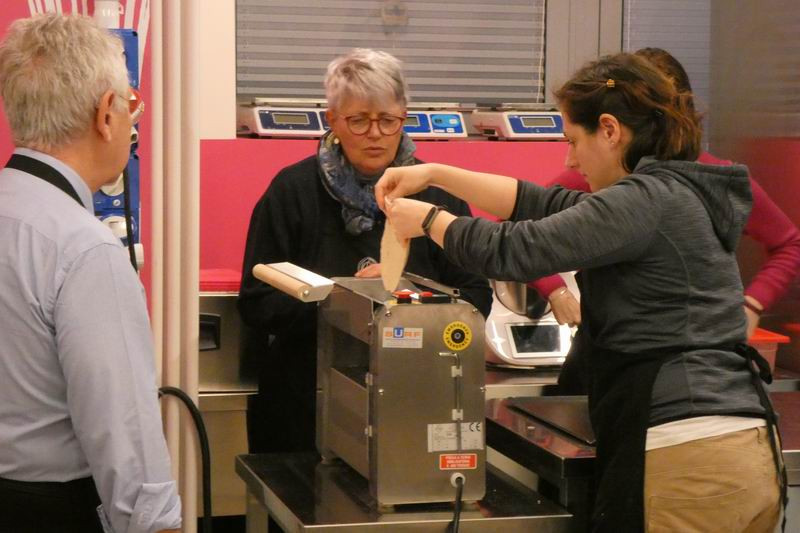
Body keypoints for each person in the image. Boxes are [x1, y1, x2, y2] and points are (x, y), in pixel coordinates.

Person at [377, 53, 782, 532]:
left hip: (691, 456)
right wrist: (434, 175)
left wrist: (429, 220)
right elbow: (538, 202)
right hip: (734, 448)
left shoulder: (645, 201)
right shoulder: (670, 192)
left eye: (573, 141)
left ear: (609, 130)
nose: (569, 159)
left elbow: (517, 249)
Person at [237, 48, 492, 456]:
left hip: (414, 393)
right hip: (305, 400)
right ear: (333, 120)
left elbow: (476, 297)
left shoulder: (438, 196)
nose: (375, 134)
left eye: (387, 120)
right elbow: (256, 302)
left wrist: (410, 293)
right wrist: (345, 299)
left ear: (404, 117)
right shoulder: (292, 191)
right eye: (358, 120)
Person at [0, 14, 180, 533]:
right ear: (106, 114)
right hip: (50, 510)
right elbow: (125, 435)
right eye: (130, 106)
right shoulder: (85, 251)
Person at [532, 47, 800, 394]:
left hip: (695, 364)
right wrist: (554, 290)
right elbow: (517, 229)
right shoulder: (594, 174)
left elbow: (789, 244)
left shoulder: (720, 180)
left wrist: (752, 304)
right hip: (606, 353)